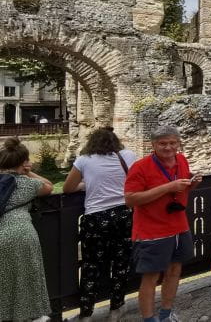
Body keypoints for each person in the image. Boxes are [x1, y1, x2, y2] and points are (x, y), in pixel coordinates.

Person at [124, 126, 200, 322]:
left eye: (172, 143)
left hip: (179, 227)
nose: (168, 147)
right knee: (151, 278)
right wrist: (169, 187)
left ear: (178, 143)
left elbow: (181, 188)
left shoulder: (181, 160)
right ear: (153, 145)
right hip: (152, 231)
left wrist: (192, 182)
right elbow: (131, 199)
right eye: (163, 143)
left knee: (174, 272)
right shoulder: (140, 167)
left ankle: (166, 314)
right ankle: (149, 319)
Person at [63, 128, 138, 322]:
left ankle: (86, 313)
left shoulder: (84, 160)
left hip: (95, 218)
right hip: (123, 214)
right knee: (120, 264)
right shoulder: (128, 156)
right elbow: (136, 181)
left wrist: (87, 184)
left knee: (91, 267)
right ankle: (116, 309)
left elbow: (68, 187)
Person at [0, 137, 53, 322]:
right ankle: (25, 316)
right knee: (26, 277)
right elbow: (49, 186)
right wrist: (29, 173)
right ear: (23, 162)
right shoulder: (27, 183)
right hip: (22, 233)